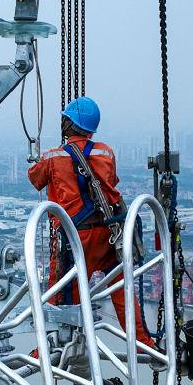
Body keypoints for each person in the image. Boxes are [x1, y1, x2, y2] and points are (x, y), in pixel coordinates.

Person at [27, 96, 150, 342]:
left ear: (68, 124)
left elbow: (35, 179)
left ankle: (50, 348)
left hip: (76, 237)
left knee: (61, 295)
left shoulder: (53, 157)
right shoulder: (106, 152)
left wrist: (41, 160)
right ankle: (144, 344)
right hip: (110, 232)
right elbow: (111, 182)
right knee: (121, 289)